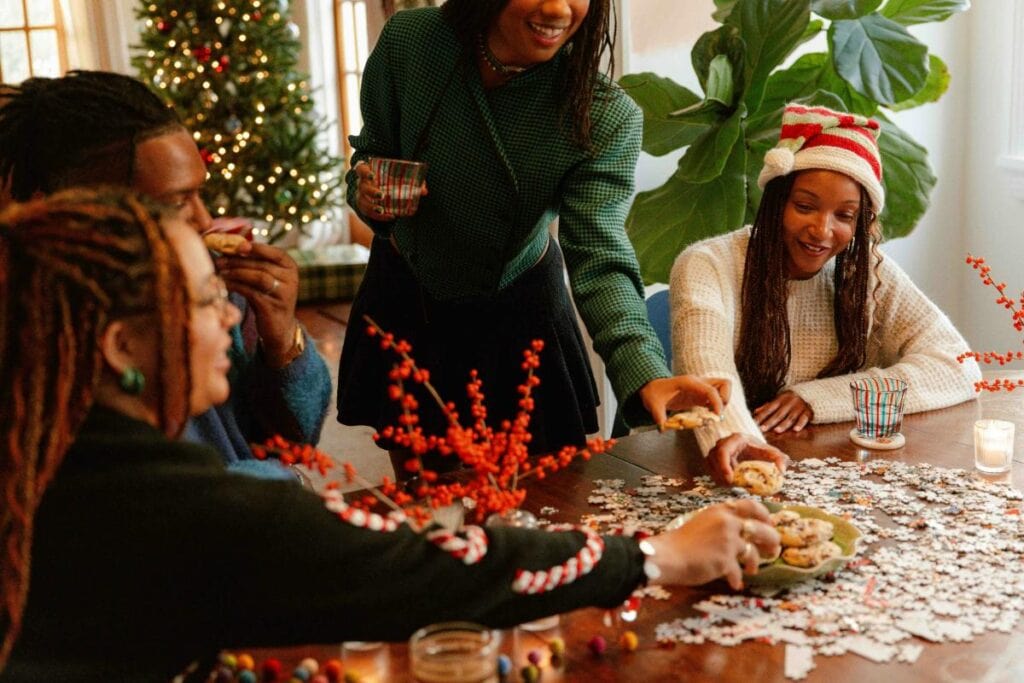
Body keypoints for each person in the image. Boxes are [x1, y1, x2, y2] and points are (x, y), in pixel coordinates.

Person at [0, 187, 780, 681]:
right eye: (206, 299)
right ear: (119, 347)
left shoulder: (47, 446)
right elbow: (431, 567)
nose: (230, 316)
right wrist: (657, 552)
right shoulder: (179, 508)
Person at [339, 0, 759, 470]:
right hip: (409, 298)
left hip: (516, 319)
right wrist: (366, 191)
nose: (558, 8)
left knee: (538, 508)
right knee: (425, 505)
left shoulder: (602, 114)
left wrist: (647, 374)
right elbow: (372, 153)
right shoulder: (410, 42)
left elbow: (601, 258)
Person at [0, 70, 331, 478]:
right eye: (175, 203)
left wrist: (282, 340)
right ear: (66, 210)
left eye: (200, 192)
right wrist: (267, 491)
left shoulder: (220, 294)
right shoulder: (37, 350)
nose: (205, 219)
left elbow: (295, 442)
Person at [670, 103, 981, 484]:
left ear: (861, 223)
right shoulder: (707, 264)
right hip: (718, 466)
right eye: (805, 206)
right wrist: (748, 452)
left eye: (844, 216)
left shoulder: (866, 270)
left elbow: (958, 366)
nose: (822, 230)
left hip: (836, 473)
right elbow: (709, 377)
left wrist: (819, 398)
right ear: (776, 200)